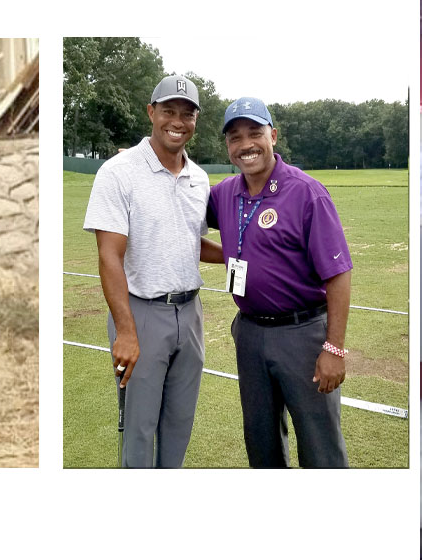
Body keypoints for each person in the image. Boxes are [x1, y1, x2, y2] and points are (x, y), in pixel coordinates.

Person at [206, 97, 351, 468]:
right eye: (235, 137)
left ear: (272, 135)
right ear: (227, 146)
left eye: (254, 133)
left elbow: (338, 273)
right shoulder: (224, 193)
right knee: (261, 442)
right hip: (250, 333)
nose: (246, 145)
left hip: (302, 335)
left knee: (320, 447)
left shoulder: (307, 192)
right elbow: (178, 212)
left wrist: (334, 348)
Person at [83, 74, 217, 468]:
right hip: (140, 313)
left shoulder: (199, 178)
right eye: (168, 111)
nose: (177, 121)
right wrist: (125, 331)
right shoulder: (118, 171)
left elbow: (190, 242)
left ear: (195, 120)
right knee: (139, 430)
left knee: (179, 425)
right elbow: (109, 256)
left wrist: (246, 255)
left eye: (187, 114)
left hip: (190, 314)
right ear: (151, 112)